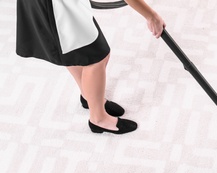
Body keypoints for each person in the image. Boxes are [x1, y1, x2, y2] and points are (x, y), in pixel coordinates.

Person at [16, 0, 166, 134]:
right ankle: (98, 119)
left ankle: (89, 96)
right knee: (96, 57)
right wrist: (151, 16)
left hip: (63, 5)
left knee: (77, 49)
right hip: (55, 7)